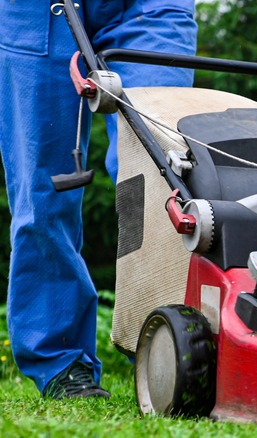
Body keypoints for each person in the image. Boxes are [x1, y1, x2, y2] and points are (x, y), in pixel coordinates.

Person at [0, 1, 197, 399]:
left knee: (164, 172)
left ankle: (169, 347)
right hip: (36, 12)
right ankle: (61, 362)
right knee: (45, 191)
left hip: (148, 8)